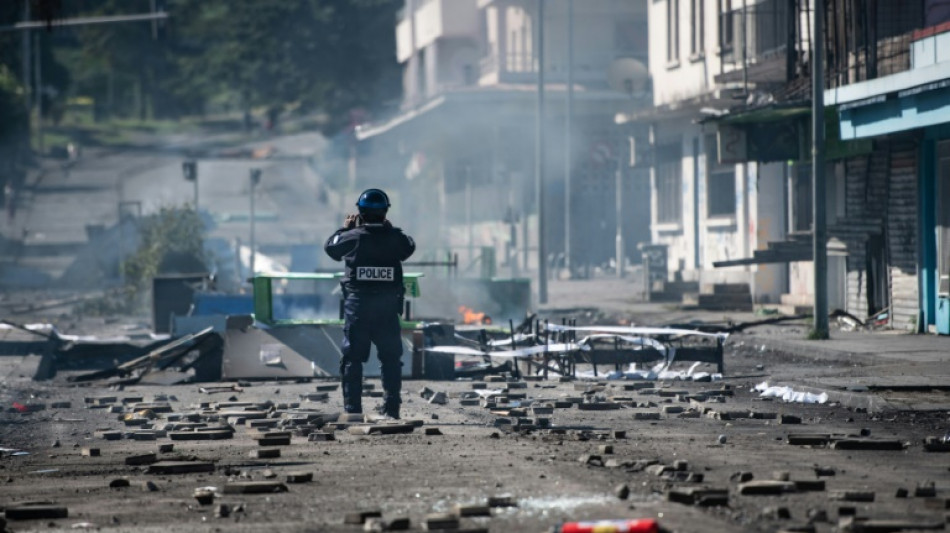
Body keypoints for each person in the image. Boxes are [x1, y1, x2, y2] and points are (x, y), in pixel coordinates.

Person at [324, 189, 415, 418]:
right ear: (385, 212)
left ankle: (353, 410)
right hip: (386, 307)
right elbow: (409, 247)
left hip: (358, 308)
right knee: (391, 357)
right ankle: (391, 408)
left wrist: (346, 228)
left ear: (360, 213)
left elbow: (331, 248)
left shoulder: (352, 237)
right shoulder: (395, 238)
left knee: (353, 358)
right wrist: (389, 228)